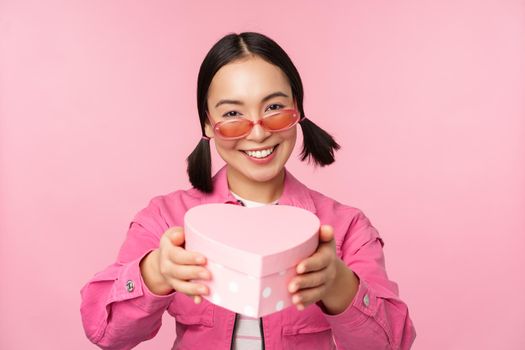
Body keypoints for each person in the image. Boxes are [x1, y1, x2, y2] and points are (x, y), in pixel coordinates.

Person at [80, 31, 416, 350]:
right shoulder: (166, 219)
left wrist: (338, 284)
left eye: (273, 108)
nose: (257, 133)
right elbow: (104, 332)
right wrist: (156, 271)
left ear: (297, 110)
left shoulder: (345, 227)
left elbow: (392, 343)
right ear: (208, 124)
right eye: (232, 114)